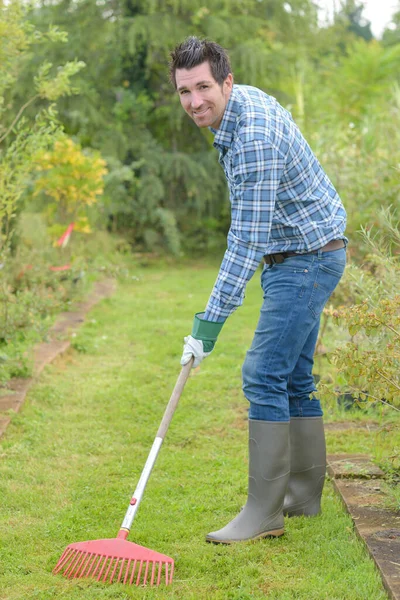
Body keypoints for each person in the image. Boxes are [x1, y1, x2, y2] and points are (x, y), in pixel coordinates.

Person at [169, 37, 347, 545]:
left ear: (225, 81)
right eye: (185, 91)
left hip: (308, 259)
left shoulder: (253, 139)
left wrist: (208, 326)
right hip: (309, 250)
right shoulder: (237, 106)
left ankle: (263, 512)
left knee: (262, 373)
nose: (195, 101)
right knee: (292, 375)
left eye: (204, 87)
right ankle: (303, 496)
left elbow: (247, 240)